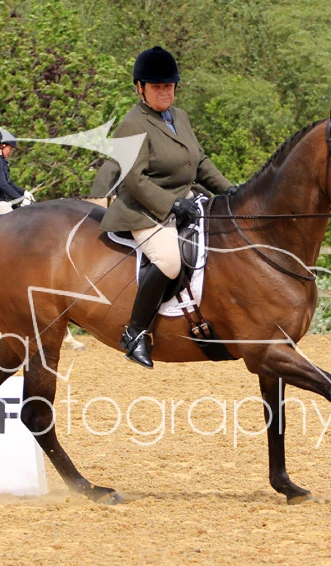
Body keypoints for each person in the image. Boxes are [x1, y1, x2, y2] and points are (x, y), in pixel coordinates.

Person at [99, 46, 236, 369]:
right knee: (170, 260)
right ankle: (135, 333)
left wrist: (231, 191)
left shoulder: (180, 117)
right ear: (140, 88)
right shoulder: (132, 125)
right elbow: (134, 179)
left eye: (169, 86)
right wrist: (171, 204)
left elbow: (200, 161)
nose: (165, 92)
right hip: (144, 208)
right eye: (157, 86)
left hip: (186, 201)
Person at [0, 132, 29, 215]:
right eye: (10, 149)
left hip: (0, 200)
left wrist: (24, 192)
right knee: (14, 219)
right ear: (2, 146)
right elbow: (2, 184)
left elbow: (8, 182)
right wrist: (20, 199)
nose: (11, 152)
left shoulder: (1, 160)